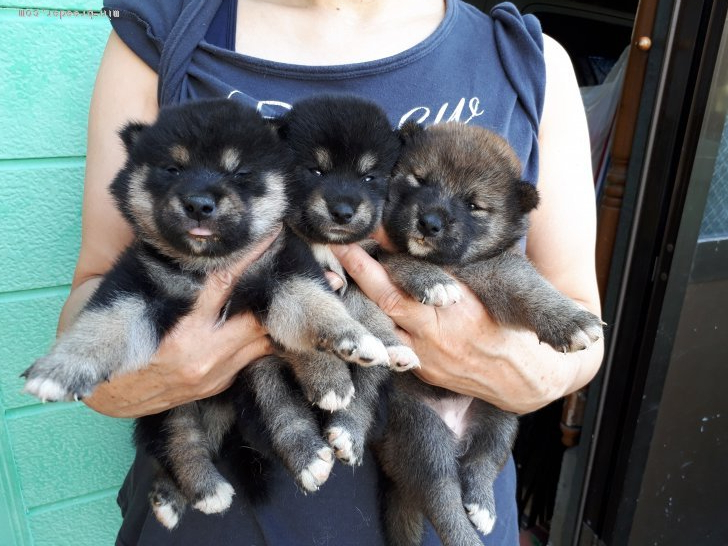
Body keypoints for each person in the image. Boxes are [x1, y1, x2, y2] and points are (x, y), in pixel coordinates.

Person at [61, 0, 604, 543]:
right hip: (221, 518)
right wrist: (166, 364)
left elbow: (580, 335)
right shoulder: (165, 32)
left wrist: (506, 365)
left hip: (446, 498)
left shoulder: (530, 61)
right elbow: (96, 305)